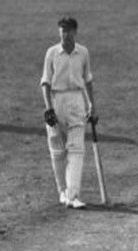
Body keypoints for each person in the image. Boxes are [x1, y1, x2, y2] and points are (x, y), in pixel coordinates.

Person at [41, 16, 97, 209]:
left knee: (76, 149)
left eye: (67, 31)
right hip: (57, 100)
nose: (64, 35)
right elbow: (45, 82)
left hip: (76, 101)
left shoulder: (83, 53)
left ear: (75, 32)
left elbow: (88, 80)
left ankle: (73, 195)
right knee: (58, 151)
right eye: (62, 31)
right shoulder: (51, 53)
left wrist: (92, 105)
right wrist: (48, 107)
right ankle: (63, 191)